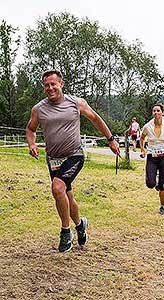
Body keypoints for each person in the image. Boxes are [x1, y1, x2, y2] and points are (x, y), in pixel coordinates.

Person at [26, 69, 120, 252]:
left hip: (74, 155)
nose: (50, 88)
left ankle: (65, 231)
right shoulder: (39, 109)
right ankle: (80, 225)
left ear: (61, 84)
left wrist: (110, 139)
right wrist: (31, 144)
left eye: (53, 84)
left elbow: (96, 119)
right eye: (46, 85)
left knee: (57, 188)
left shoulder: (76, 103)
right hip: (53, 158)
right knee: (66, 196)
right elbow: (30, 129)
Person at [140, 103, 164, 215]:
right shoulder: (147, 126)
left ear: (162, 113)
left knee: (162, 185)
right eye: (154, 111)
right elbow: (142, 138)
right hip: (152, 157)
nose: (156, 112)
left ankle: (162, 206)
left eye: (158, 110)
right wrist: (142, 150)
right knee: (150, 184)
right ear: (152, 113)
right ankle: (155, 181)